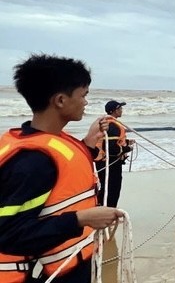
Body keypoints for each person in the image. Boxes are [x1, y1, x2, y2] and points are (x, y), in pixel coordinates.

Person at [0, 54, 123, 283]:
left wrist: (89, 141)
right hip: (53, 275)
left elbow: (63, 179)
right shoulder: (33, 161)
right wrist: (81, 219)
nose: (86, 102)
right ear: (60, 100)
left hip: (72, 265)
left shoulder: (52, 140)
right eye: (83, 95)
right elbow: (7, 234)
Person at [95, 100, 134, 207]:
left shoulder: (108, 123)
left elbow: (111, 142)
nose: (121, 110)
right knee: (112, 189)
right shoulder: (112, 125)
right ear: (114, 111)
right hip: (109, 162)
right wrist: (127, 148)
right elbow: (111, 148)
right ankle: (109, 212)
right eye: (119, 108)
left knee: (106, 187)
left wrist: (127, 142)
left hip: (104, 161)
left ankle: (101, 209)